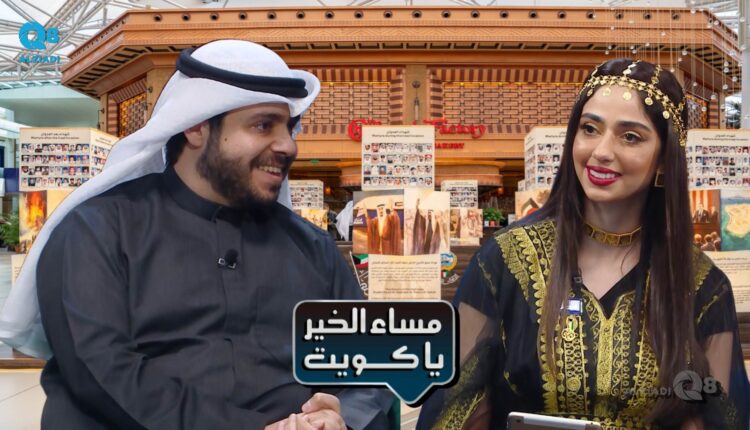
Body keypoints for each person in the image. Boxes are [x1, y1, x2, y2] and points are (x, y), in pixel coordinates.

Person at [0, 40, 392, 430]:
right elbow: (100, 371)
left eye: (289, 128)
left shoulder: (311, 246)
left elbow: (369, 364)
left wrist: (341, 416)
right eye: (263, 125)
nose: (288, 146)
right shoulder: (97, 231)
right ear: (196, 126)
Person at [417, 59, 748, 429]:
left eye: (630, 136)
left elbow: (717, 416)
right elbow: (455, 408)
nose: (601, 151)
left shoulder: (702, 285)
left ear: (664, 161)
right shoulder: (504, 261)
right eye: (590, 129)